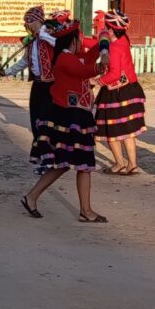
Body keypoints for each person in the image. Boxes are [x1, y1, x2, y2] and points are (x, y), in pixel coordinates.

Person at [23, 20, 111, 223]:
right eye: (79, 38)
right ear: (73, 40)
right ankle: (85, 211)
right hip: (70, 117)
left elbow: (92, 54)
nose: (81, 41)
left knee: (65, 163)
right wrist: (101, 64)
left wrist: (104, 41)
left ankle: (33, 197)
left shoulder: (74, 57)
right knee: (81, 163)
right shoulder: (64, 59)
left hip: (75, 115)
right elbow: (85, 70)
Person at [0, 6, 58, 172]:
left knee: (46, 123)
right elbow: (25, 61)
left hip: (51, 85)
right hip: (38, 85)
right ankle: (42, 158)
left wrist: (43, 34)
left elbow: (59, 45)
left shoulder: (51, 34)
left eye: (28, 22)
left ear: (37, 21)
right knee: (35, 121)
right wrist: (8, 71)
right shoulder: (31, 41)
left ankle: (49, 161)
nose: (26, 25)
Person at [94, 10, 147, 175]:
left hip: (115, 93)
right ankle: (132, 164)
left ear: (111, 30)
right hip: (131, 89)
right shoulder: (124, 40)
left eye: (106, 28)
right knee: (128, 131)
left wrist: (97, 81)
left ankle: (119, 164)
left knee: (112, 130)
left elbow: (115, 74)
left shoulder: (114, 47)